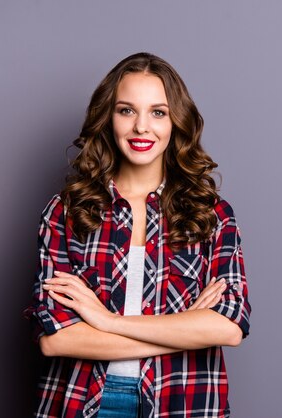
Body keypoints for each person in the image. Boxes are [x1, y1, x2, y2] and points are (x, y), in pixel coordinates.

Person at [22, 52, 251, 418]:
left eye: (158, 112)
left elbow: (227, 327)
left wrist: (107, 321)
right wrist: (185, 330)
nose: (142, 127)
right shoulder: (66, 212)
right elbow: (56, 338)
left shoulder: (212, 216)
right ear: (108, 118)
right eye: (126, 110)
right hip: (82, 402)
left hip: (181, 403)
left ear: (176, 121)